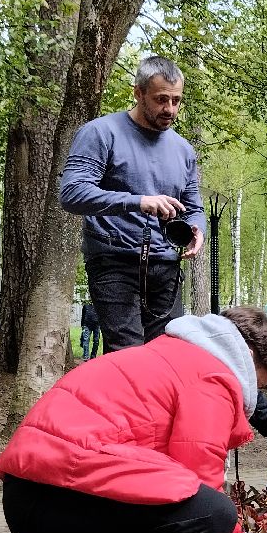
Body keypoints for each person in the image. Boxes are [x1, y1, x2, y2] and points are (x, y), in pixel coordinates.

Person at [0, 307, 267, 533]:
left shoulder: (172, 354)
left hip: (31, 499)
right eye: (257, 385)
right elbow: (200, 480)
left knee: (195, 511)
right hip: (58, 505)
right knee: (214, 514)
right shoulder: (212, 376)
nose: (252, 397)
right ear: (246, 354)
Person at [60, 54, 205, 352]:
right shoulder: (100, 133)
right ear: (138, 93)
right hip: (114, 262)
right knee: (127, 356)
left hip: (166, 265)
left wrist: (196, 229)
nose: (170, 109)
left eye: (176, 100)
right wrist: (137, 202)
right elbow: (72, 193)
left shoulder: (183, 150)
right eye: (161, 99)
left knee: (168, 354)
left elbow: (194, 206)